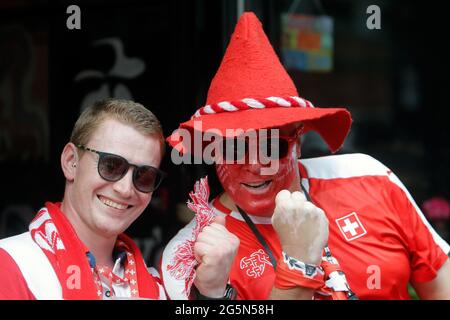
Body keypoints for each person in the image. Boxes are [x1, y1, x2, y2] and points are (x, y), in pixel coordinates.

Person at [161, 12, 450, 300]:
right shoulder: (190, 254)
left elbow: (441, 285)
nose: (253, 165)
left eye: (271, 147)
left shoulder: (368, 178)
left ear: (299, 139)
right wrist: (299, 261)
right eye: (233, 149)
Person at [0, 98, 238, 300]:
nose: (125, 189)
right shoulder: (14, 265)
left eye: (143, 176)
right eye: (111, 165)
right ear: (71, 162)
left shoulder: (156, 287)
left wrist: (212, 291)